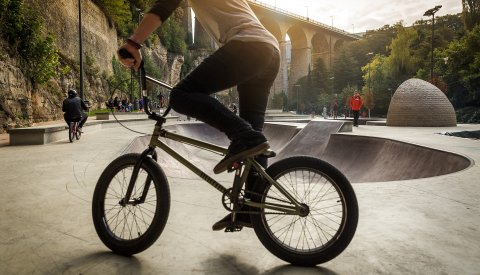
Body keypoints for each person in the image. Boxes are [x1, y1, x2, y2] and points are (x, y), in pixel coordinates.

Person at [118, 0, 280, 231]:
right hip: (270, 52)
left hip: (248, 46)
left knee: (181, 95)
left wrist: (134, 43)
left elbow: (162, 9)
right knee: (255, 137)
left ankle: (242, 135)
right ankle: (251, 209)